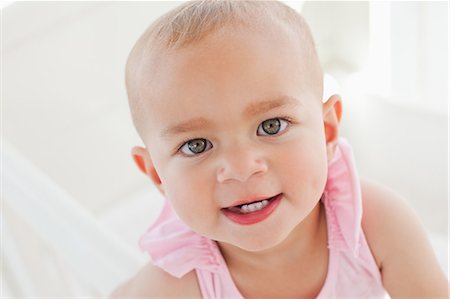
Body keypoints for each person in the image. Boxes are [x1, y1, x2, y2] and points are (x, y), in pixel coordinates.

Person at [110, 1, 448, 297]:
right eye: (196, 146)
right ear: (157, 174)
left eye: (271, 126)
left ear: (327, 131)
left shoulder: (376, 226)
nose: (242, 168)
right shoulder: (176, 284)